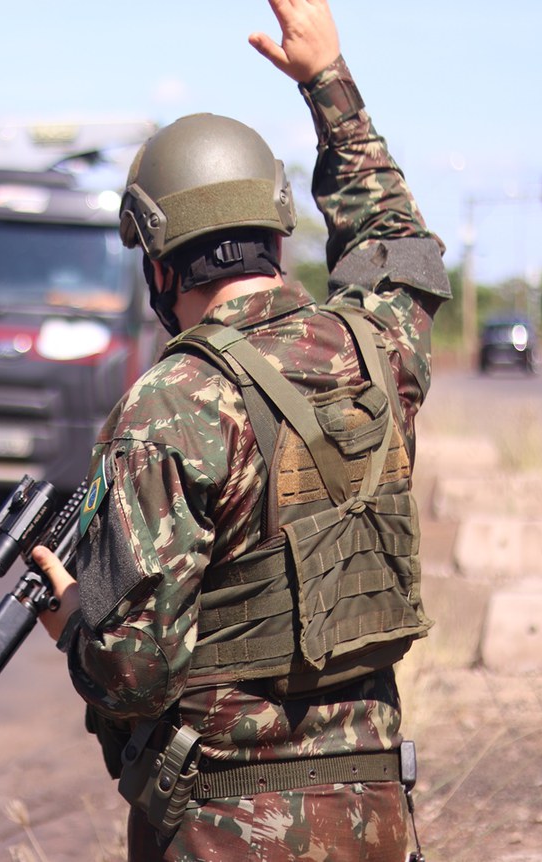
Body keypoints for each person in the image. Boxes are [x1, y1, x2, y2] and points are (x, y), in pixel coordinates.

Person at [30, 0, 451, 859]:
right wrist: (329, 83)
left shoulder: (168, 404)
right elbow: (397, 239)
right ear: (273, 231)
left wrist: (74, 617)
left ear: (158, 261)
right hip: (377, 820)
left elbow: (132, 673)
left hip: (223, 830)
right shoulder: (380, 350)